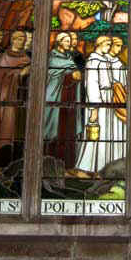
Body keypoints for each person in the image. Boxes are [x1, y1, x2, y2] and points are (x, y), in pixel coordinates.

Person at [74, 36, 115, 175]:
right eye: (107, 44)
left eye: (110, 44)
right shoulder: (93, 61)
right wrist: (94, 108)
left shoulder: (104, 59)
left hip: (107, 98)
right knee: (94, 137)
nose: (109, 47)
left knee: (104, 135)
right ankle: (85, 168)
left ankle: (102, 168)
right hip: (98, 101)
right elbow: (91, 85)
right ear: (99, 44)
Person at [44, 33, 82, 169]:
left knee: (67, 131)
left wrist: (74, 77)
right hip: (54, 99)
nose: (69, 43)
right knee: (53, 131)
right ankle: (49, 166)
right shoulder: (51, 58)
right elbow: (51, 75)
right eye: (66, 41)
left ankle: (67, 165)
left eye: (69, 40)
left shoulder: (69, 58)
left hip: (68, 100)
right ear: (59, 42)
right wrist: (70, 75)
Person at [0, 30, 31, 154]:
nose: (22, 41)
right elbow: (0, 76)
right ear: (13, 40)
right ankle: (1, 153)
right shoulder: (4, 57)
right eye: (19, 39)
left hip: (21, 99)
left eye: (23, 39)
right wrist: (20, 74)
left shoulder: (26, 58)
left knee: (20, 126)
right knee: (6, 123)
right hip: (5, 97)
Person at [107, 36, 127, 161]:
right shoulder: (103, 61)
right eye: (117, 45)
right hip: (108, 100)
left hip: (120, 100)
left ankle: (118, 157)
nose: (119, 49)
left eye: (121, 46)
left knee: (119, 130)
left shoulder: (118, 62)